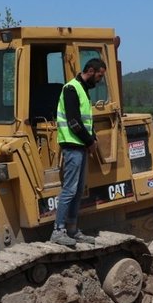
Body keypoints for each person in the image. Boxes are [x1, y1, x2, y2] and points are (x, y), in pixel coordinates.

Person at [49, 58, 107, 247]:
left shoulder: (83, 89)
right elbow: (74, 122)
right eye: (99, 75)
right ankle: (58, 231)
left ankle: (72, 230)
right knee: (69, 190)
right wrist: (90, 141)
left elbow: (85, 120)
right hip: (73, 146)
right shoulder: (71, 88)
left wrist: (93, 137)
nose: (99, 80)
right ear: (90, 70)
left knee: (78, 190)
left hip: (80, 146)